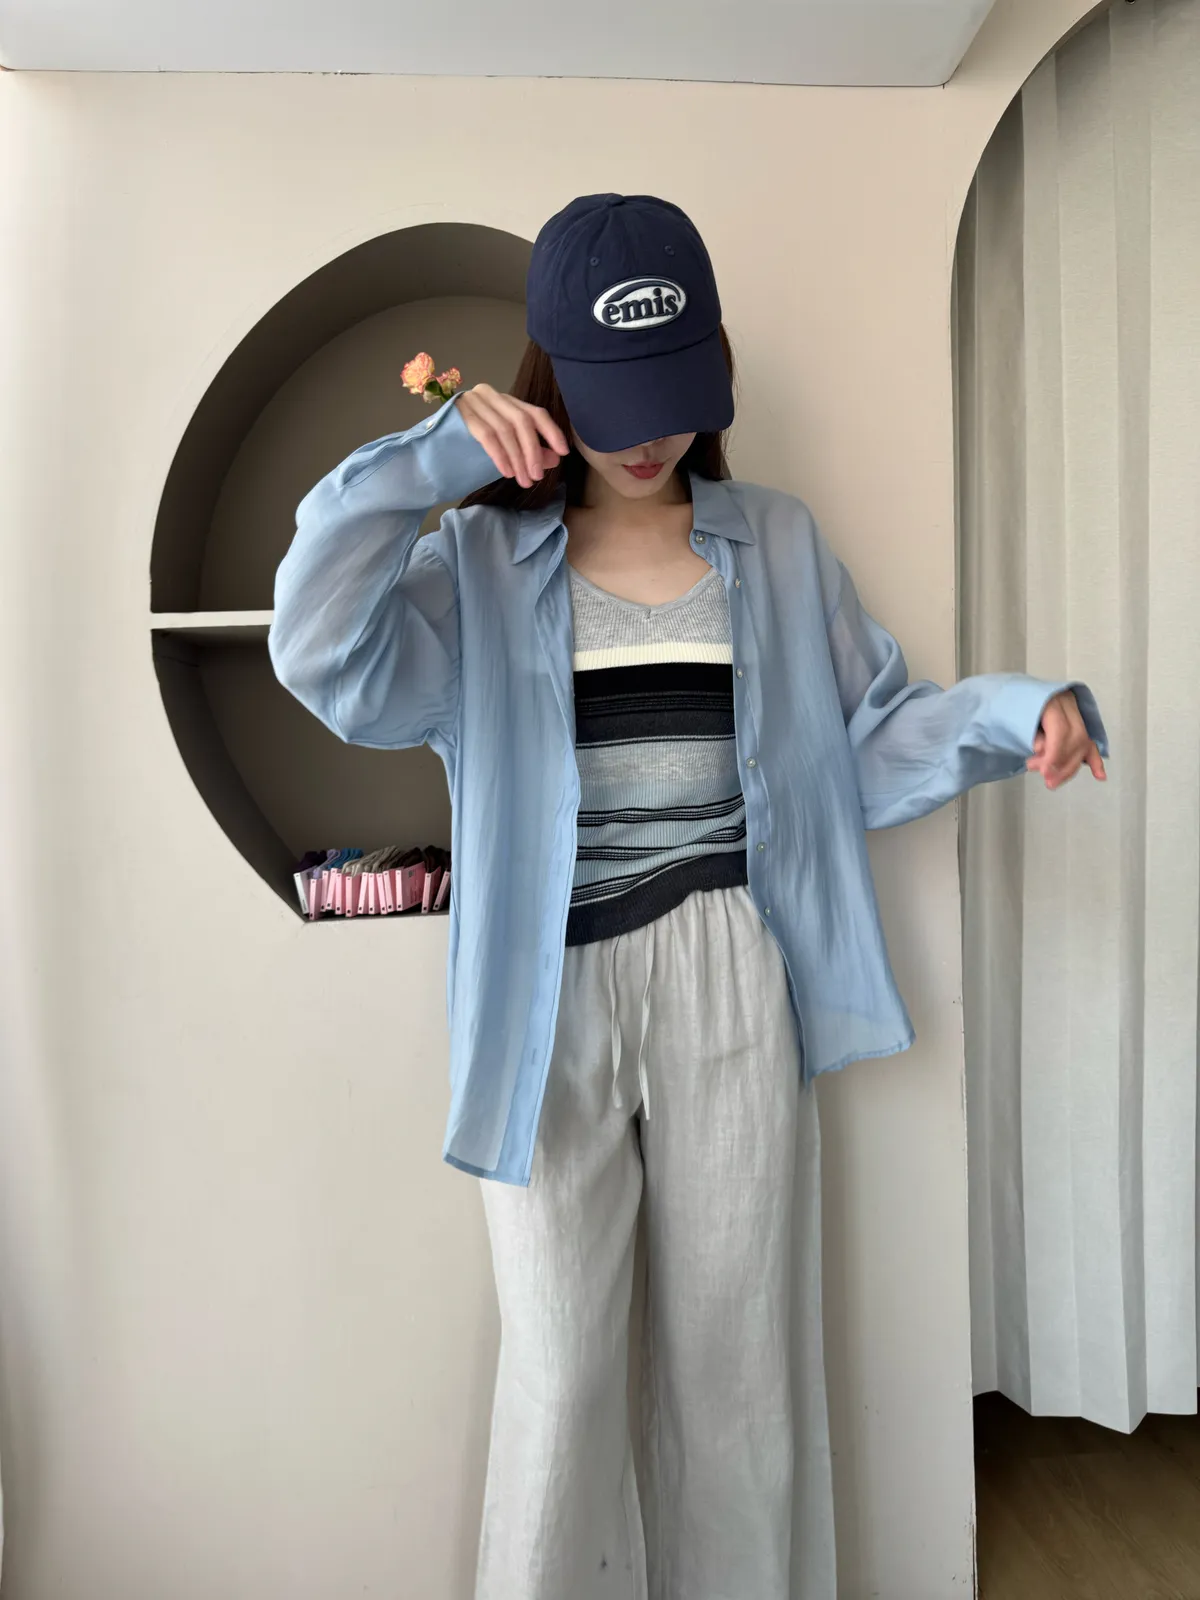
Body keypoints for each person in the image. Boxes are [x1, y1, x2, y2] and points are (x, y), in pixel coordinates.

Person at [269, 193, 1107, 1600]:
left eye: (670, 395)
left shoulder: (775, 543)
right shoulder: (477, 564)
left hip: (729, 967)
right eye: (613, 401)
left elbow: (860, 744)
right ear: (550, 383)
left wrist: (1011, 714)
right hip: (548, 993)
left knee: (739, 1371)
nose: (645, 437)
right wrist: (428, 464)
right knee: (560, 1375)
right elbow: (321, 655)